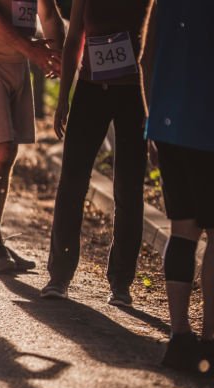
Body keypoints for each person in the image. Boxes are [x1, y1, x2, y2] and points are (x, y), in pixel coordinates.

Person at [141, 0, 214, 375]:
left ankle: (179, 337)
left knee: (182, 231)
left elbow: (145, 59)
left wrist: (151, 123)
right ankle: (213, 340)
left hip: (168, 125)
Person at [41, 0, 150, 305]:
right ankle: (59, 277)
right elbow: (75, 36)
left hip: (132, 95)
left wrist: (153, 107)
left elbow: (154, 44)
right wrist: (64, 98)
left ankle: (121, 282)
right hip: (90, 90)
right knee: (72, 182)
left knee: (129, 188)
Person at [0, 0, 64, 273]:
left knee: (8, 155)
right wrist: (31, 49)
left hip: (17, 65)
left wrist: (57, 55)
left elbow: (49, 14)